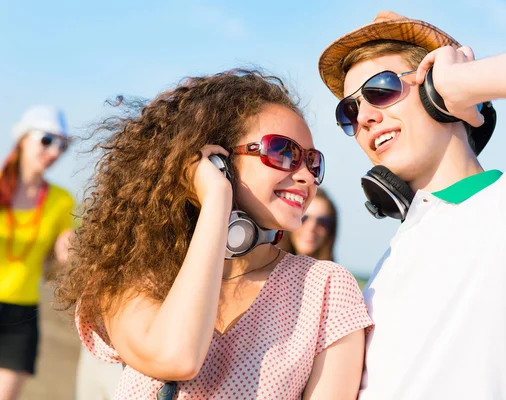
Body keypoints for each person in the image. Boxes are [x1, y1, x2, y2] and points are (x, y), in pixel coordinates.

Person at [318, 10, 506, 400]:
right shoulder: (387, 265)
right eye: (349, 111)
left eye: (380, 89)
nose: (364, 115)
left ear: (437, 93)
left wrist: (461, 82)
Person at [55, 69, 372, 399]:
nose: (307, 176)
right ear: (220, 161)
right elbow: (174, 357)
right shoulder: (134, 277)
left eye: (312, 162)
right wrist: (217, 199)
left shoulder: (327, 289)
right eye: (283, 152)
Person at [0, 105, 74, 400]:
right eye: (47, 140)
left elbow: (62, 257)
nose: (55, 151)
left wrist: (71, 253)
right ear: (23, 139)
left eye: (63, 145)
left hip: (20, 316)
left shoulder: (61, 201)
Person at [278, 188, 338, 261]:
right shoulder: (265, 266)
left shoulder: (333, 271)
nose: (311, 227)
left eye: (322, 222)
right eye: (303, 218)